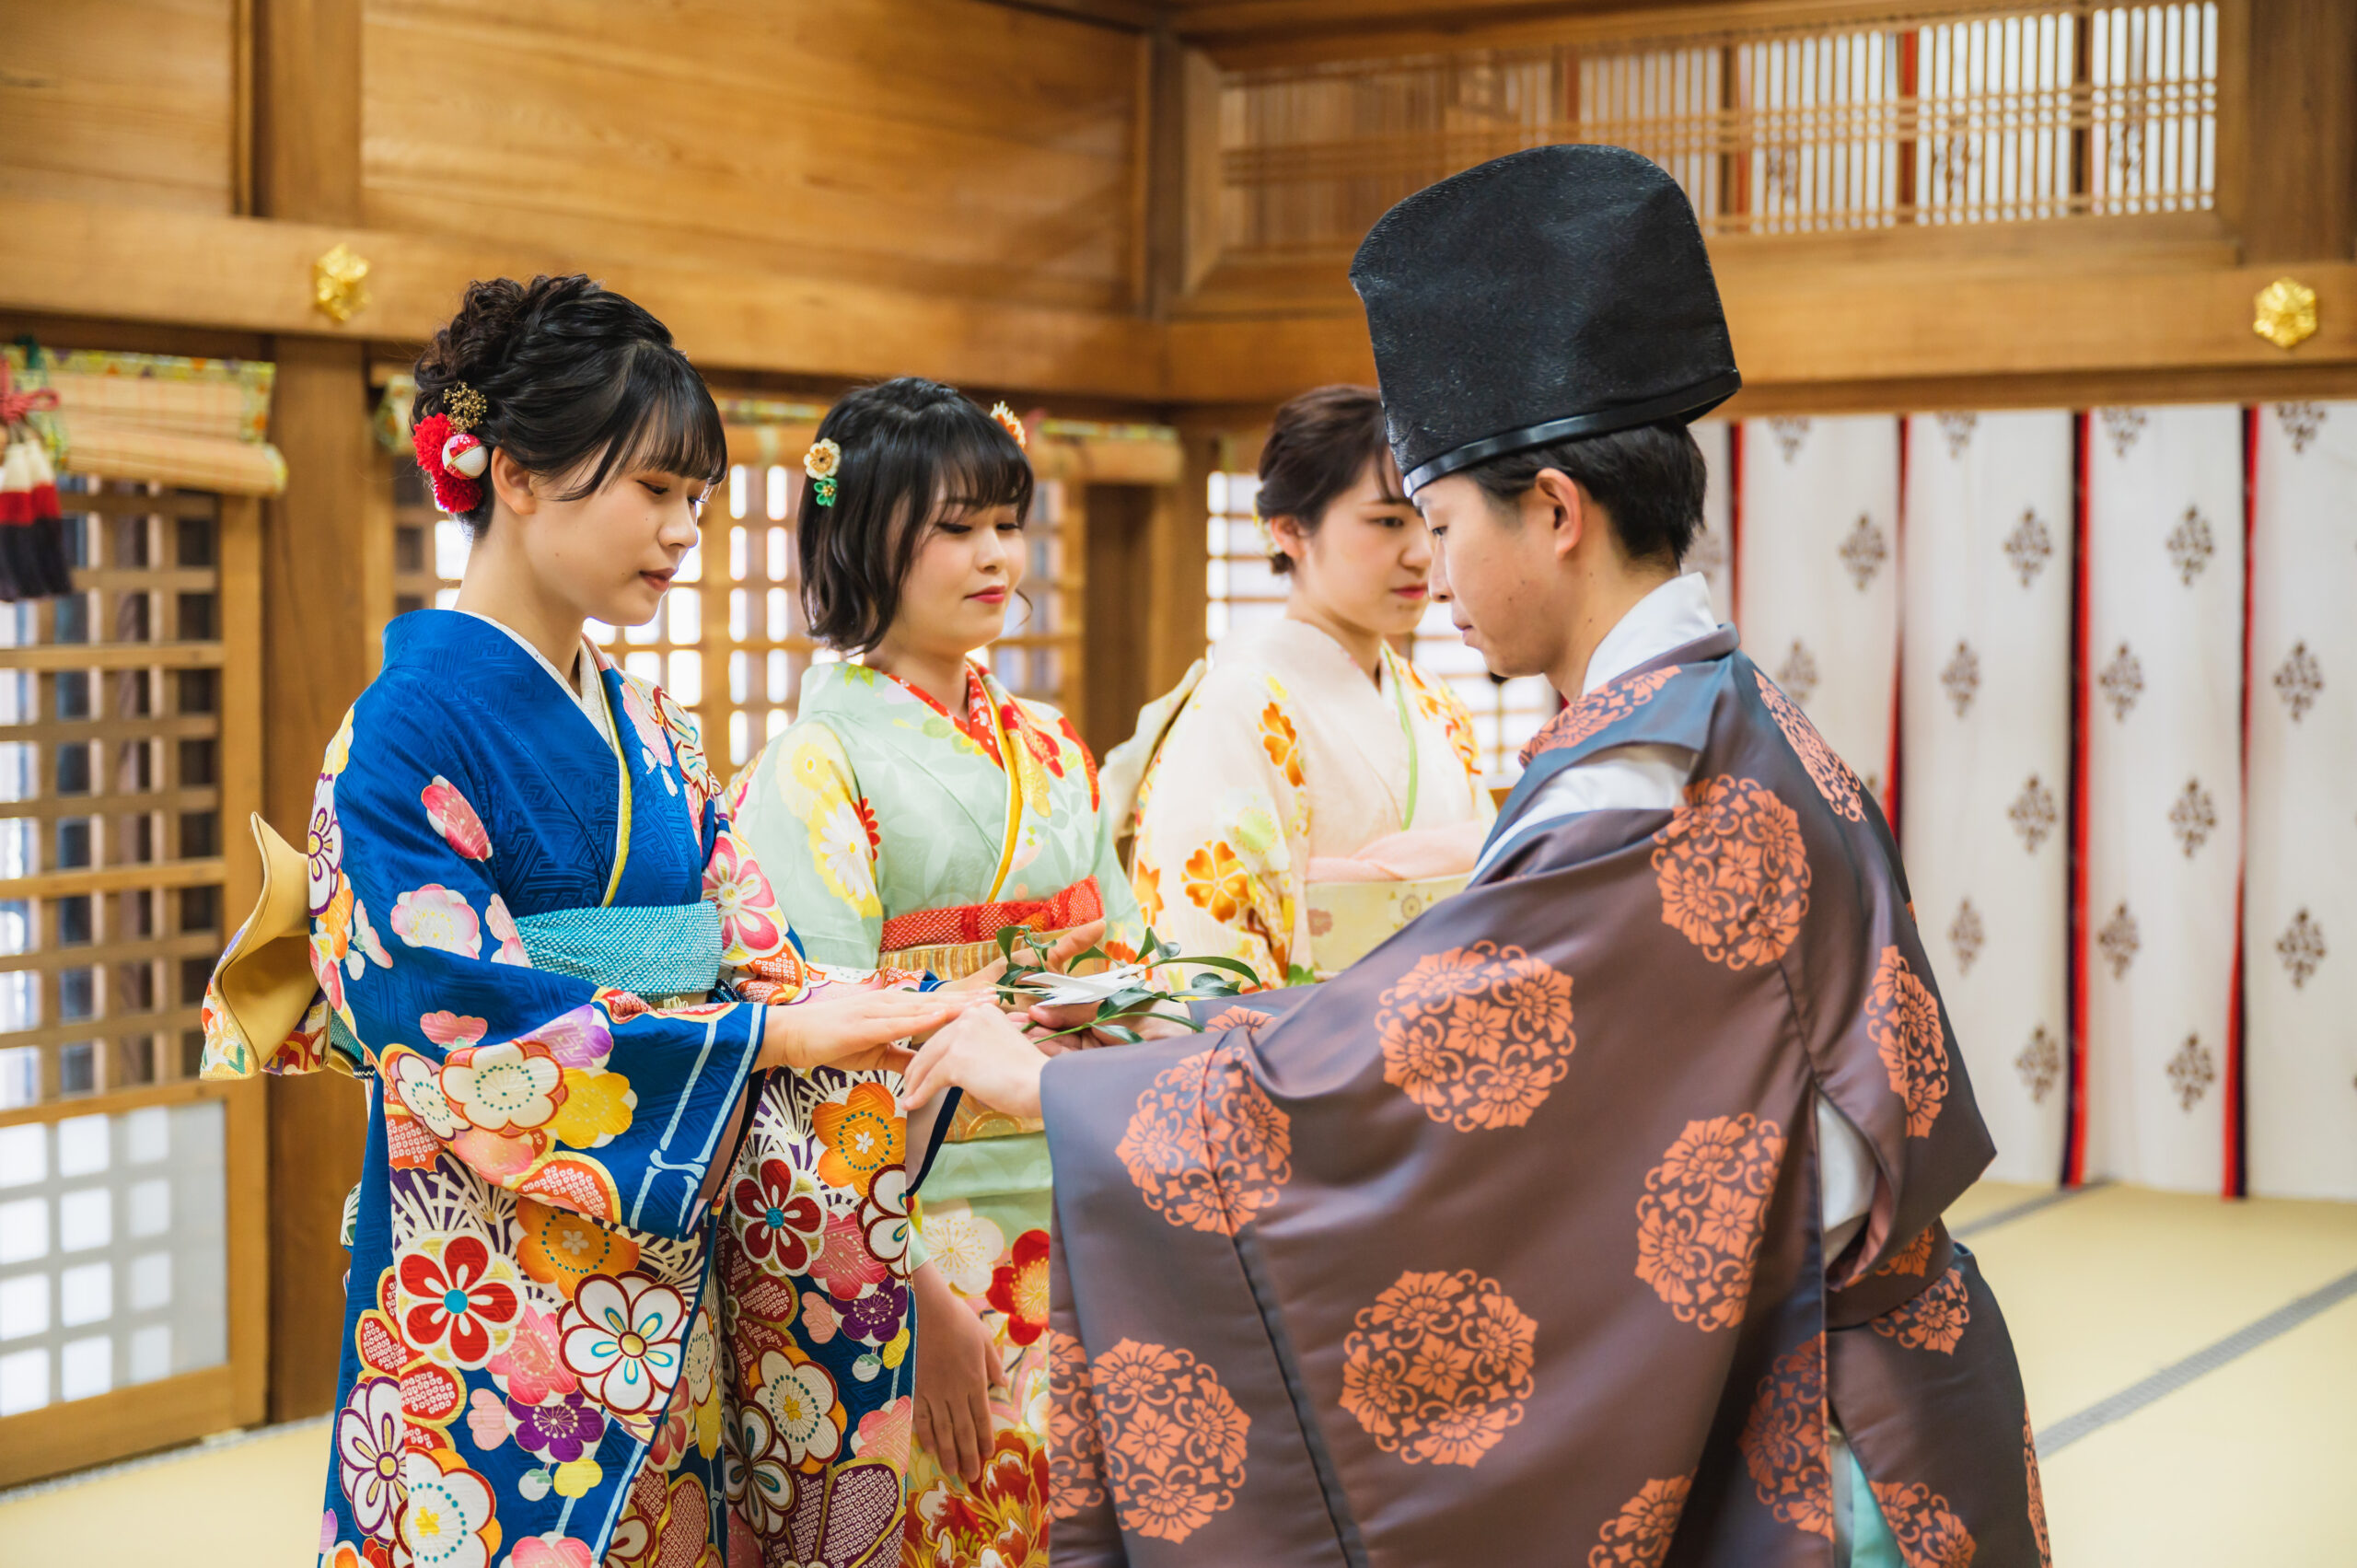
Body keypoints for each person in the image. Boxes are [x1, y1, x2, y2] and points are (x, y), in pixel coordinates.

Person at [898, 147, 2049, 1567]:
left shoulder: (1648, 778)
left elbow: (1406, 1076)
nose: (1432, 570)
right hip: (1829, 1398)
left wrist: (1078, 1090)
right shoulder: (1715, 718)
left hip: (1810, 1448)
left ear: (1555, 512)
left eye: (1440, 523)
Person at [199, 278, 993, 1568]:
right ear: (512, 472)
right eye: (656, 491)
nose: (683, 530)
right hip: (502, 1269)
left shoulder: (652, 723)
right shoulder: (403, 732)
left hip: (674, 1255)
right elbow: (453, 1016)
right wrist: (768, 1042)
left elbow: (762, 958)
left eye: (697, 499)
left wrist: (858, 1025)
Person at [725, 377, 1144, 1568]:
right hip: (919, 1210)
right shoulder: (812, 766)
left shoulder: (1054, 742)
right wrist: (908, 1285)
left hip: (1077, 1186)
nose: (995, 553)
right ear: (864, 538)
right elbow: (820, 1066)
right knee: (961, 1522)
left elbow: (1126, 964)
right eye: (955, 527)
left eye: (1006, 521)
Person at [1112, 385, 1492, 987]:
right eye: (1388, 520)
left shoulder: (1438, 706)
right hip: (1309, 1059)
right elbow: (1206, 949)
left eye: (1430, 520)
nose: (1422, 553)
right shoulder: (1236, 706)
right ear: (1290, 530)